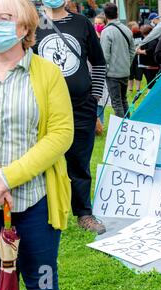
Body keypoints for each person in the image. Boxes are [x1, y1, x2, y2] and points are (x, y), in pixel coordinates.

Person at [0, 0, 74, 290]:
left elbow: (60, 134)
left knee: (42, 283)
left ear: (25, 26)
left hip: (36, 202)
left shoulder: (47, 73)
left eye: (3, 17)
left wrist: (8, 178)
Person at [34, 0, 107, 234]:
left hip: (81, 106)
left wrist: (94, 98)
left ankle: (84, 213)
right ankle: (41, 212)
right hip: (43, 108)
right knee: (41, 160)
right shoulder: (32, 24)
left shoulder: (82, 23)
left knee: (79, 162)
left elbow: (99, 63)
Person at [100, 3, 135, 118]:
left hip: (112, 74)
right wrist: (127, 64)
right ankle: (128, 124)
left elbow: (104, 56)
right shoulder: (127, 29)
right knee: (123, 99)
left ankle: (121, 129)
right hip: (125, 71)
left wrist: (106, 70)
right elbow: (132, 50)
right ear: (117, 13)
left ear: (105, 15)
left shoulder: (106, 32)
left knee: (116, 102)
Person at [93, 13, 107, 136]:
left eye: (100, 24)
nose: (97, 26)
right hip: (92, 72)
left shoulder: (106, 37)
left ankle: (100, 125)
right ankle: (96, 126)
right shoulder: (92, 37)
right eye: (96, 24)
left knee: (101, 99)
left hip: (104, 72)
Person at [137, 24, 159, 92]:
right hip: (146, 64)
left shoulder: (152, 40)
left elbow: (150, 51)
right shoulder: (148, 39)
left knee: (151, 80)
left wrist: (139, 51)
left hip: (150, 65)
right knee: (150, 80)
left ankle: (150, 94)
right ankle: (150, 92)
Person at [127, 21, 143, 93]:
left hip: (139, 56)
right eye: (134, 28)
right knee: (130, 73)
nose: (136, 30)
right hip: (130, 56)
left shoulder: (141, 34)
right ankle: (130, 89)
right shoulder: (127, 35)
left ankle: (138, 89)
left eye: (137, 28)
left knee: (138, 72)